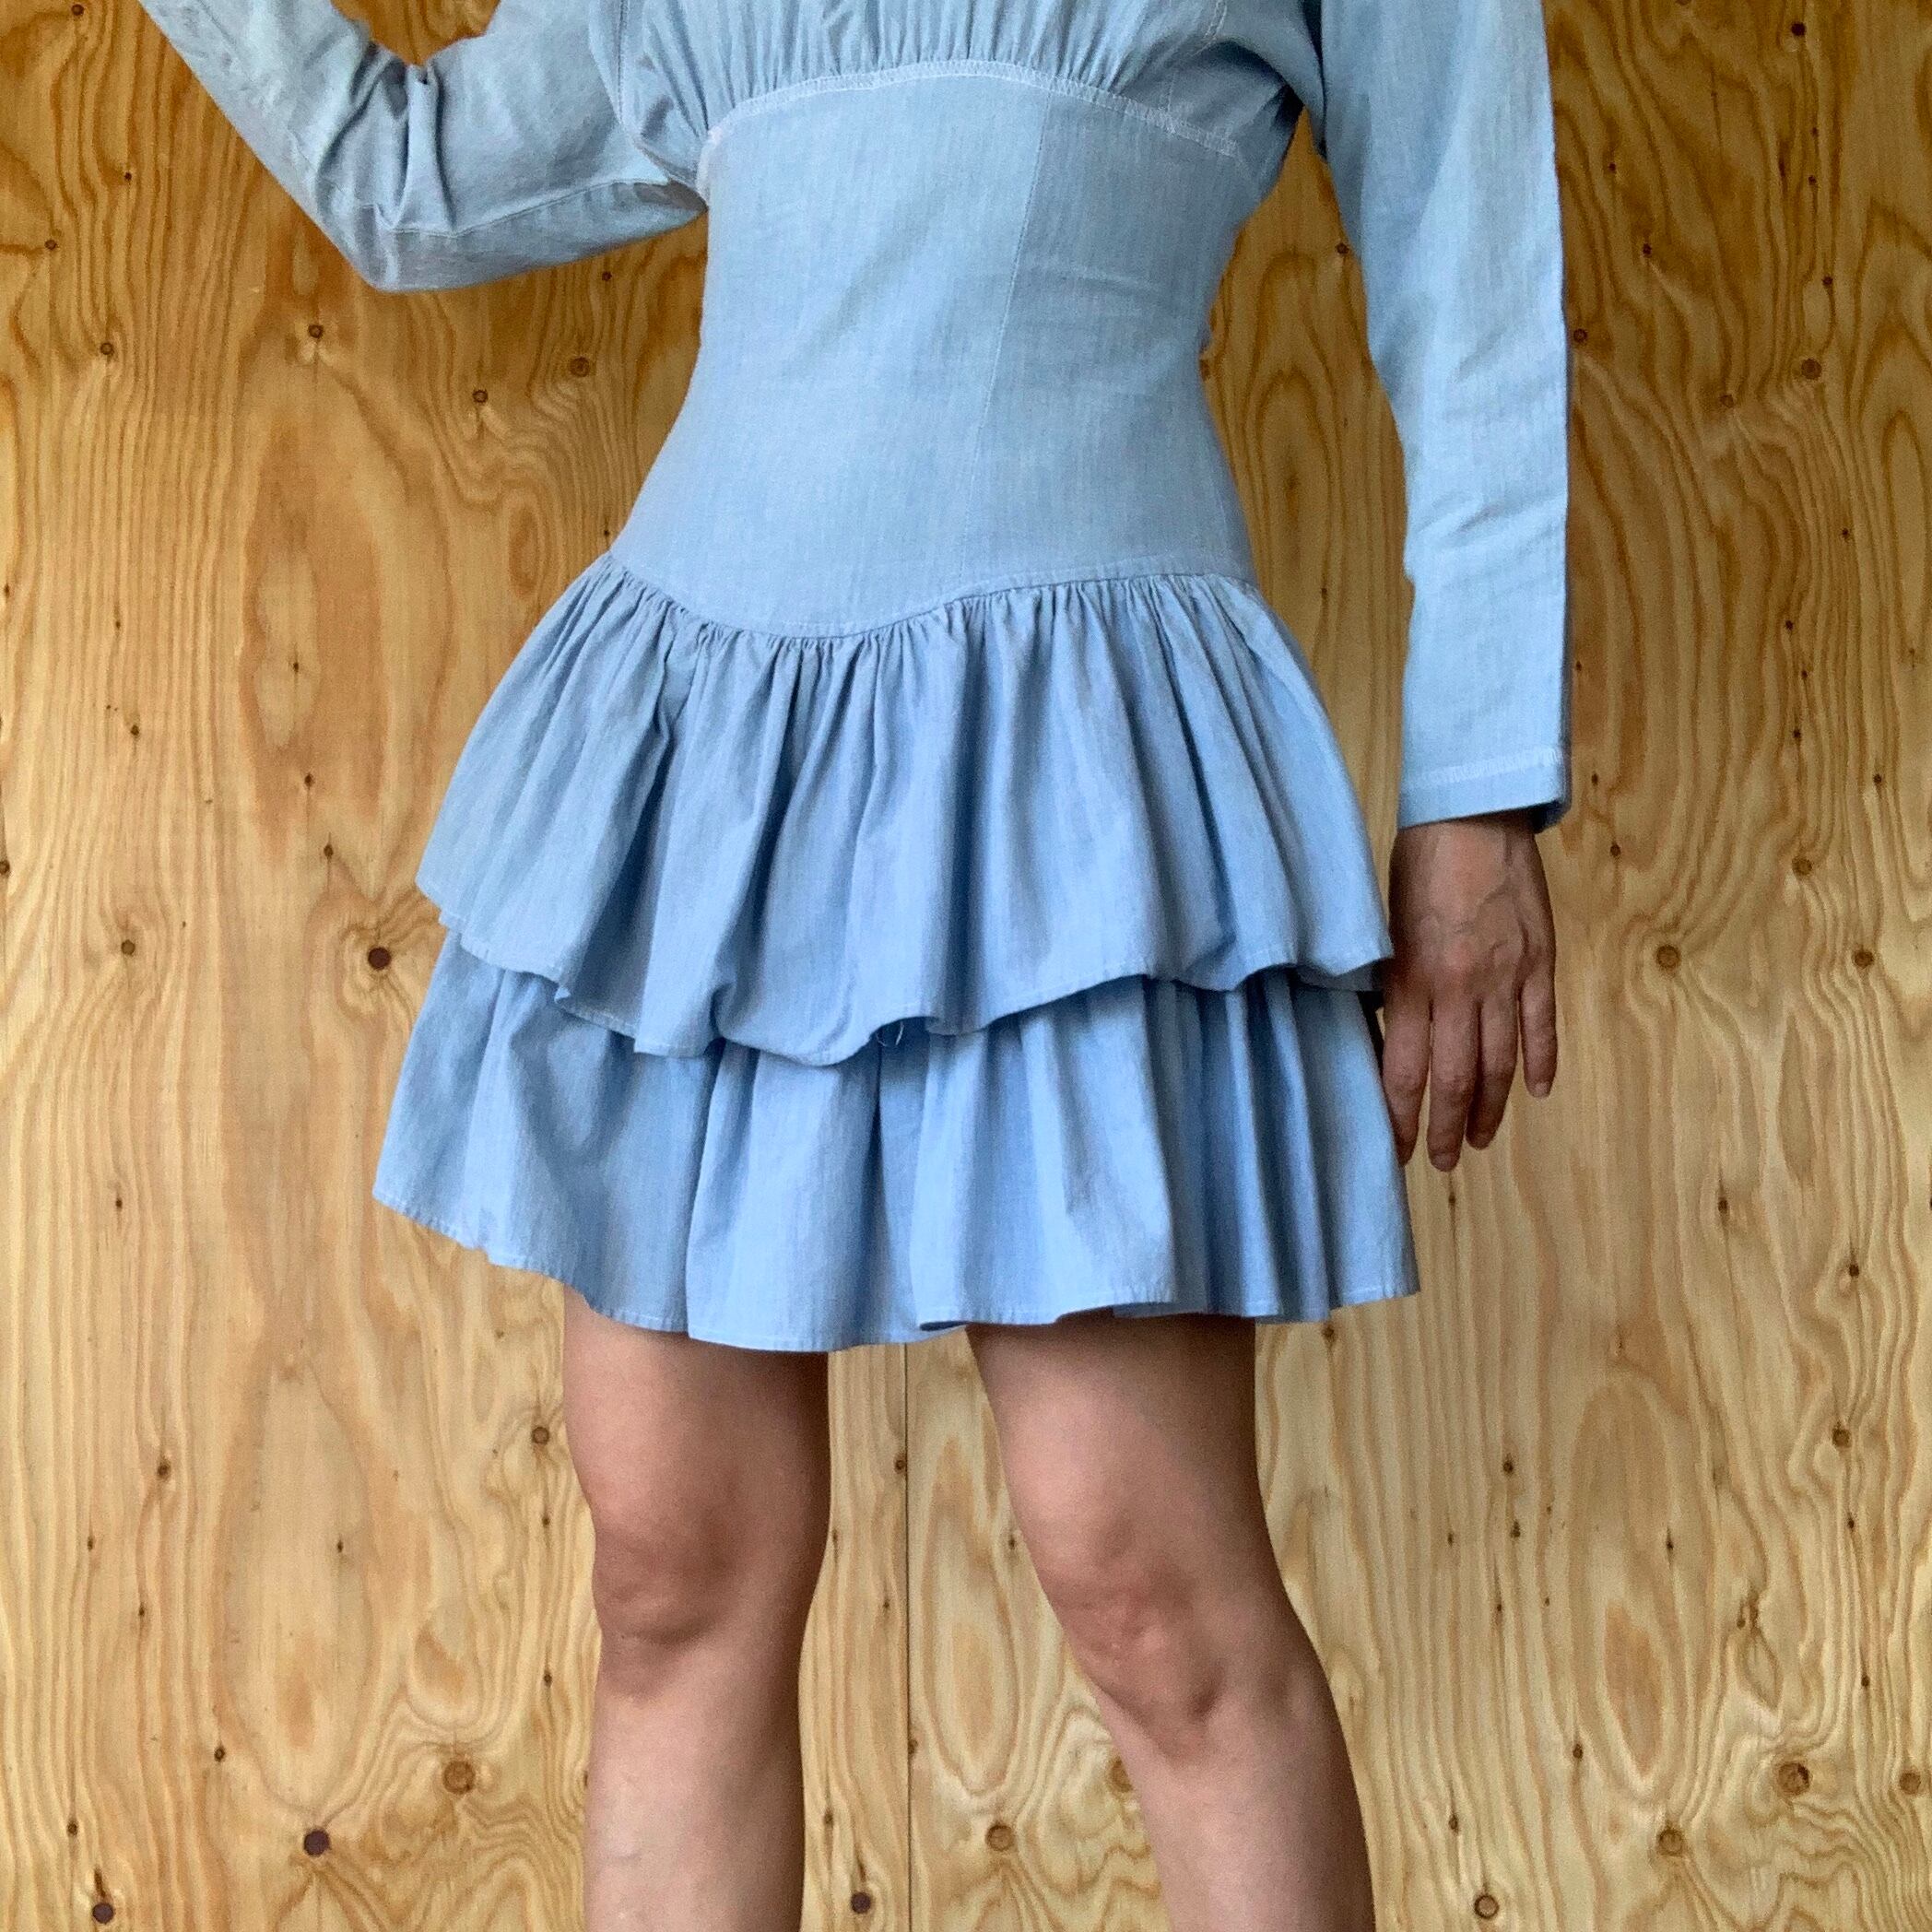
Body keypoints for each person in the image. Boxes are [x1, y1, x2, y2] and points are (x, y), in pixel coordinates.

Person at [132, 0, 1571, 1924]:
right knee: (672, 1577)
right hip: (707, 784)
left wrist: (1476, 794)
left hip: (1070, 784)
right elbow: (409, 180)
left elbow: (1474, 282)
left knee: (1151, 1593)